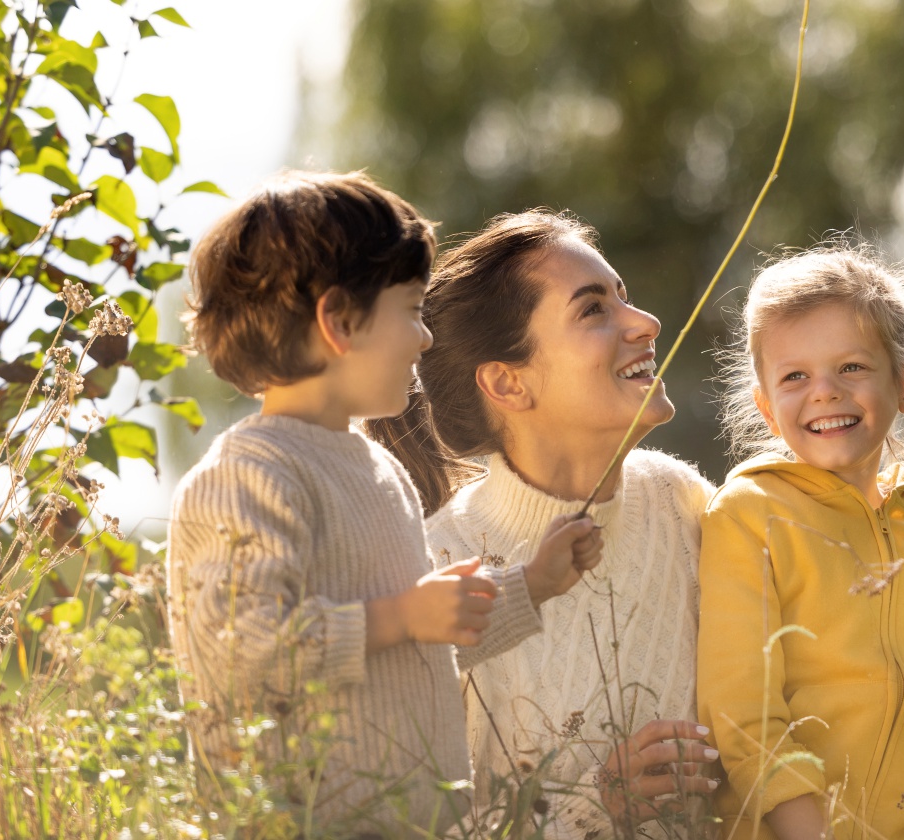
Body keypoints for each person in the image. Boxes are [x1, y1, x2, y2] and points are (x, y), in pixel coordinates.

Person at [166, 172, 601, 834]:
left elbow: (421, 641)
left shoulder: (379, 471)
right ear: (339, 321)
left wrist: (533, 585)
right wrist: (399, 616)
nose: (425, 339)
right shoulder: (249, 476)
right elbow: (240, 653)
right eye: (413, 310)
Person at [367, 211, 719, 839]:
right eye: (592, 310)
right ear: (508, 381)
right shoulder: (435, 573)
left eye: (624, 297)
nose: (647, 324)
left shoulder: (681, 500)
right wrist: (595, 807)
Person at [696, 243, 904, 840]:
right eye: (795, 377)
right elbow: (742, 716)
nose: (824, 392)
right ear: (767, 409)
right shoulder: (750, 517)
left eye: (851, 367)